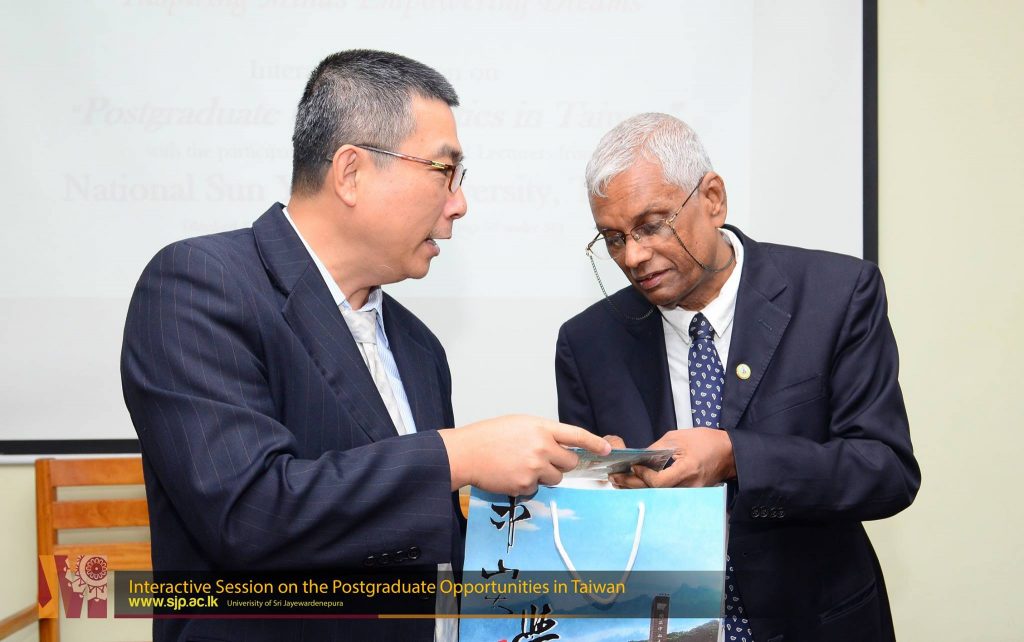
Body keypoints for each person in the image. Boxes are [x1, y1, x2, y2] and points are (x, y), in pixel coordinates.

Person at [121, 49, 609, 642]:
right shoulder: (199, 285)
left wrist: (576, 485)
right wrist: (458, 456)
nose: (459, 204)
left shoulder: (419, 345)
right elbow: (249, 513)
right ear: (351, 172)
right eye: (444, 171)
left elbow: (422, 540)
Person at [555, 113, 920, 642]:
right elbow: (586, 521)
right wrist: (600, 481)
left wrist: (735, 457)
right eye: (613, 239)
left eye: (651, 226)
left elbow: (886, 472)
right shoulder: (588, 341)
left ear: (713, 199)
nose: (633, 256)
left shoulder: (836, 294)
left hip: (815, 624)